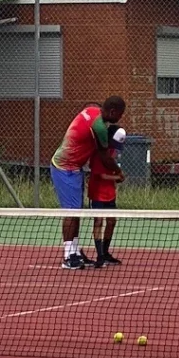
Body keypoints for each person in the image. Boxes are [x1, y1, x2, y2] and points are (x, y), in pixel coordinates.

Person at [50, 96, 126, 270]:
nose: (120, 118)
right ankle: (68, 256)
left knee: (77, 211)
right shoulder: (99, 127)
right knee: (71, 212)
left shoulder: (93, 112)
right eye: (120, 115)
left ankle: (75, 251)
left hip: (75, 169)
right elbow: (105, 157)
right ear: (113, 112)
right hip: (64, 168)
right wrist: (119, 172)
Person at [88, 125, 127, 268]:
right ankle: (99, 256)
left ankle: (105, 253)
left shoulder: (113, 152)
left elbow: (111, 171)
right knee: (98, 222)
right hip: (97, 193)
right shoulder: (99, 153)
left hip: (110, 194)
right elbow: (102, 175)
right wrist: (118, 176)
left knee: (111, 221)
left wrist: (117, 177)